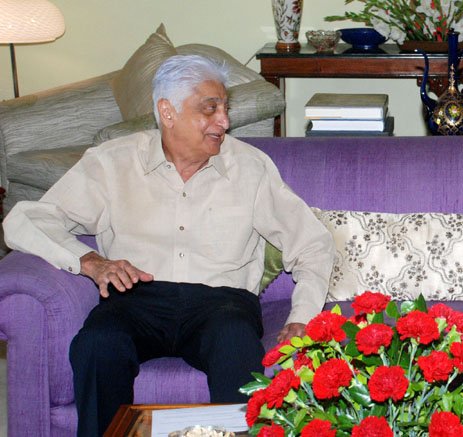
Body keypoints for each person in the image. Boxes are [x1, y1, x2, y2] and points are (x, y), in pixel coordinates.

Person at [2, 55, 334, 436]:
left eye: (225, 108)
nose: (224, 121)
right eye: (210, 108)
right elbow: (25, 219)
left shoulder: (250, 167)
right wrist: (89, 261)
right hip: (135, 298)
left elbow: (312, 242)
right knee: (97, 345)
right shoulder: (112, 162)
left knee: (235, 346)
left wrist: (301, 318)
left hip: (222, 303)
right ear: (167, 111)